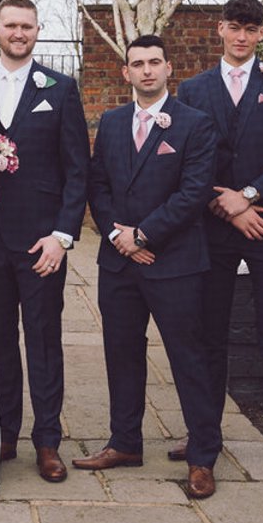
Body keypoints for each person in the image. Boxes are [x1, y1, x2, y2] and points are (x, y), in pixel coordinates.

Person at [78, 35, 222, 498]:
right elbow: (96, 184)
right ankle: (125, 443)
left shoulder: (195, 124)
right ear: (126, 73)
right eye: (137, 63)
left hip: (174, 261)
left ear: (168, 68)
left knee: (188, 358)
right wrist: (120, 237)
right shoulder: (114, 121)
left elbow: (194, 192)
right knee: (121, 352)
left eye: (154, 62)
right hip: (120, 264)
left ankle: (202, 455)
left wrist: (143, 236)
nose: (146, 70)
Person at [177, 0, 263, 481]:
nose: (242, 37)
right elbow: (190, 164)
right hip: (214, 229)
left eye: (251, 30)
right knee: (208, 335)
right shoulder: (193, 90)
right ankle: (202, 440)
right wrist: (228, 208)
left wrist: (250, 196)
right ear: (220, 29)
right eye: (235, 27)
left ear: (262, 33)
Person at [0, 0, 90, 483]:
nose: (19, 33)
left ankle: (48, 440)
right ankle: (2, 433)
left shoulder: (60, 88)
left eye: (28, 26)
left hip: (41, 244)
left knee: (43, 340)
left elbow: (78, 169)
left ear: (38, 31)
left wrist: (62, 236)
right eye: (11, 25)